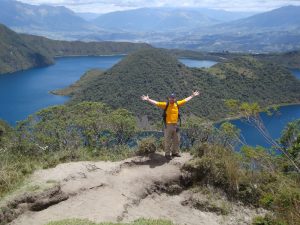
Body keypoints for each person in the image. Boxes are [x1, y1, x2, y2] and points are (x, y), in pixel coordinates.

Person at [141, 91, 200, 159]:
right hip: (168, 125)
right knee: (167, 140)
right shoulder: (165, 105)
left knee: (177, 140)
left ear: (175, 99)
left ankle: (174, 152)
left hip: (176, 125)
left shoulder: (177, 104)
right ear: (168, 98)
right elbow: (156, 103)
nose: (171, 99)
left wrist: (192, 96)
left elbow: (185, 100)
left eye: (173, 98)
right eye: (170, 98)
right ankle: (167, 154)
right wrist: (148, 99)